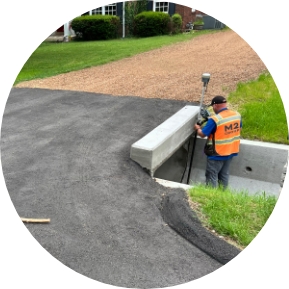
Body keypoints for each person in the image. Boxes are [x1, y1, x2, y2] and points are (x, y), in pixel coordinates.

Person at [194, 95, 242, 189]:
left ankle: (211, 197)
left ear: (215, 106)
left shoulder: (215, 119)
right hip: (231, 151)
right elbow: (238, 128)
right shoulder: (236, 115)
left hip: (217, 153)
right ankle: (222, 196)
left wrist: (197, 128)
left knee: (212, 175)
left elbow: (203, 134)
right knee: (224, 175)